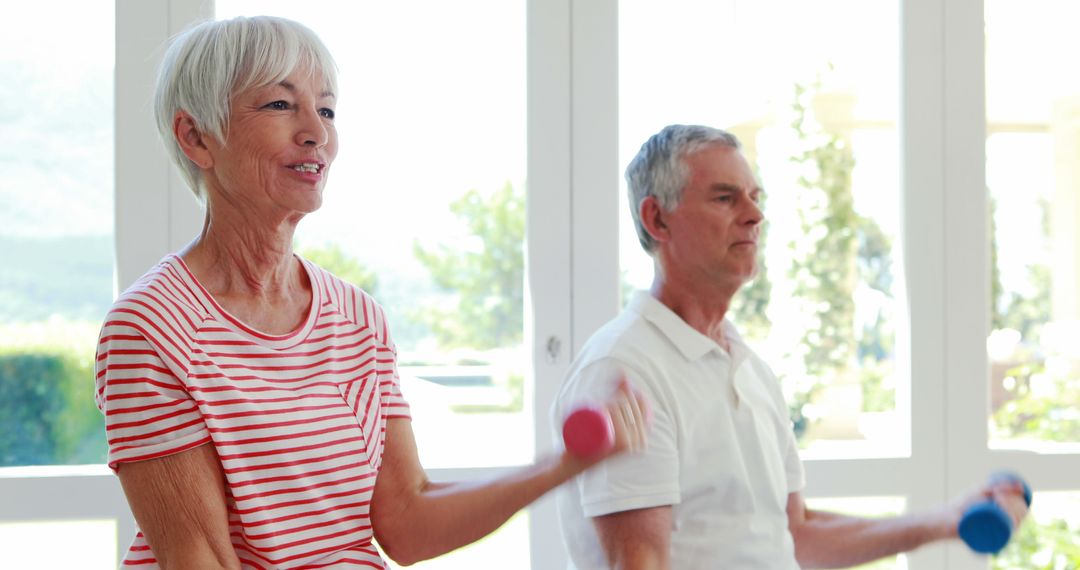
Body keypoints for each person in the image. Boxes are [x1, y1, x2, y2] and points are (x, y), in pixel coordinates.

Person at [94, 15, 649, 569]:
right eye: (280, 105)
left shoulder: (357, 318)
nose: (317, 132)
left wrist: (565, 464)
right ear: (196, 138)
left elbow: (408, 524)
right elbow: (199, 558)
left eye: (327, 109)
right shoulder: (150, 328)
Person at [551, 124, 1030, 569]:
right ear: (657, 219)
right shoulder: (625, 369)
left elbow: (793, 536)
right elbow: (638, 563)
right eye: (725, 198)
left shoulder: (747, 367)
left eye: (755, 198)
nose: (755, 215)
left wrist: (945, 521)